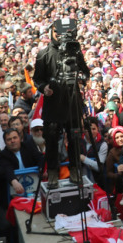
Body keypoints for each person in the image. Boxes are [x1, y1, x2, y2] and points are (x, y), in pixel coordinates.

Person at [32, 17, 90, 188]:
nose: (60, 35)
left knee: (74, 138)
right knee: (50, 140)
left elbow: (86, 73)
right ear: (52, 33)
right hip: (53, 104)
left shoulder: (75, 51)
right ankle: (52, 173)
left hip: (73, 103)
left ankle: (75, 170)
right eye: (56, 32)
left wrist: (81, 79)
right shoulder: (44, 54)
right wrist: (44, 88)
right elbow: (37, 79)